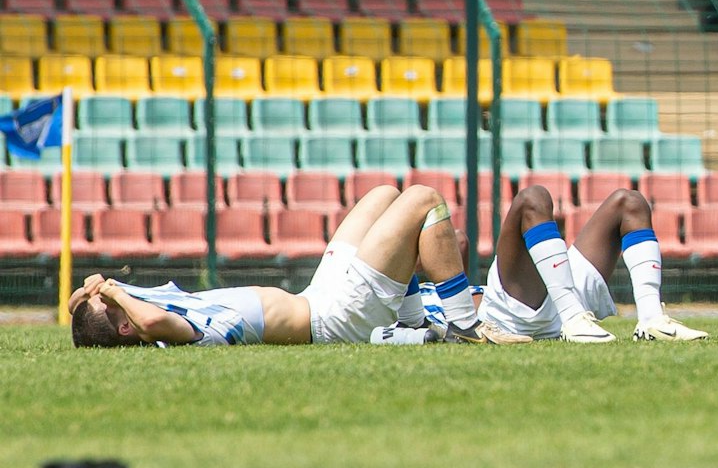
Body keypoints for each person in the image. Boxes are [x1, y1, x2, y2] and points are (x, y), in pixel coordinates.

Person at [68, 183, 515, 347]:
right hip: (334, 318)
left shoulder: (136, 311)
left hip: (317, 295)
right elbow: (147, 321)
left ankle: (412, 322)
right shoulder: (161, 328)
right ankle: (466, 328)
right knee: (423, 199)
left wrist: (91, 293)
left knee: (384, 195)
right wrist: (111, 291)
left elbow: (78, 309)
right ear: (125, 326)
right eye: (111, 303)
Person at [478, 182, 708, 343]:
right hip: (519, 313)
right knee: (532, 197)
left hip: (571, 291)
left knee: (631, 201)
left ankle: (652, 320)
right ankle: (572, 319)